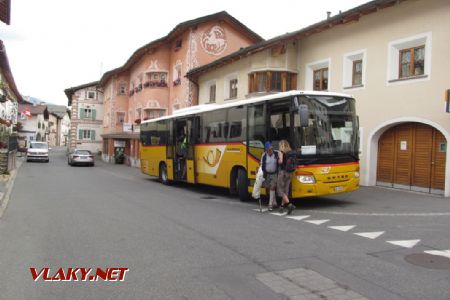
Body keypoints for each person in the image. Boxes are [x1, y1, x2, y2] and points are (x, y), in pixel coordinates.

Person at [277, 139, 296, 214]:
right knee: (285, 190)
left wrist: (278, 161)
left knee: (280, 190)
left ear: (281, 145)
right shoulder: (290, 152)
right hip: (289, 173)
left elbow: (281, 161)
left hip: (282, 173)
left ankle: (289, 205)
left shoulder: (280, 152)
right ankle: (281, 206)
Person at [260, 141, 279, 211]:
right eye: (269, 149)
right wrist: (261, 174)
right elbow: (261, 165)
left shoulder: (276, 153)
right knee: (268, 187)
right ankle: (274, 202)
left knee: (272, 187)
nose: (271, 150)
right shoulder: (264, 155)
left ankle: (270, 204)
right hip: (267, 174)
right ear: (266, 150)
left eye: (271, 149)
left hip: (274, 174)